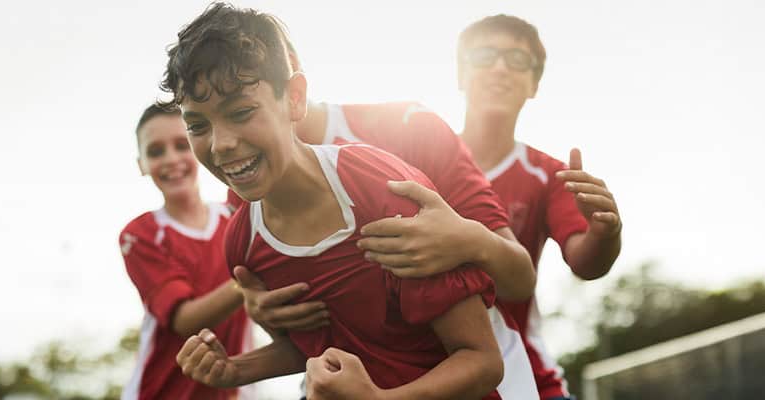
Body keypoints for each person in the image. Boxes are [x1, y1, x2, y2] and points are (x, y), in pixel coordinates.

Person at [162, 3, 519, 398]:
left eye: (242, 112)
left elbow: (482, 360)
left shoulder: (380, 187)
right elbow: (316, 344)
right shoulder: (244, 243)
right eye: (197, 125)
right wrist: (234, 368)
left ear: (294, 98)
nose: (222, 144)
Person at [454, 15, 624, 400]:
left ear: (534, 84)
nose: (499, 67)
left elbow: (585, 261)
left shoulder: (550, 176)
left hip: (523, 377)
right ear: (461, 75)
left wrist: (606, 232)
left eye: (517, 59)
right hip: (419, 372)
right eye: (484, 55)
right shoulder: (412, 160)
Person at [118, 103, 251, 399]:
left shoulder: (237, 215)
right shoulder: (141, 235)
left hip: (235, 391)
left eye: (182, 145)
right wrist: (253, 275)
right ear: (141, 164)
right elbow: (186, 321)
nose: (171, 159)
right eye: (155, 151)